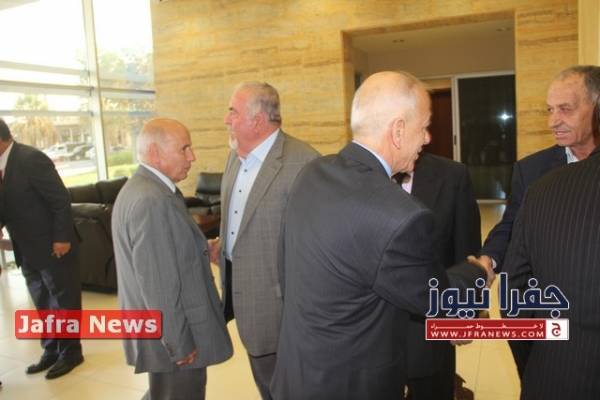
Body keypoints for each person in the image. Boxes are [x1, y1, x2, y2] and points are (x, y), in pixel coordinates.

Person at [270, 71, 492, 400]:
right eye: (424, 127)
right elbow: (435, 297)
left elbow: (285, 269)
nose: (427, 138)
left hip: (298, 375)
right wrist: (478, 272)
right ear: (398, 130)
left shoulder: (313, 173)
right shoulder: (400, 215)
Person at [478, 65, 600, 378]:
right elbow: (511, 225)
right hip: (548, 312)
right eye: (549, 110)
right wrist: (489, 259)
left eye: (565, 109)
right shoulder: (532, 170)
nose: (553, 121)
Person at [209, 82, 319, 400]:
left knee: (290, 388)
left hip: (281, 306)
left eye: (233, 112)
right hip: (241, 294)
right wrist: (225, 244)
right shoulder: (235, 157)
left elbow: (315, 245)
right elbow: (242, 218)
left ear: (257, 120)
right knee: (264, 381)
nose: (226, 120)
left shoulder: (304, 163)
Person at [112, 118, 233, 399]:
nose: (192, 157)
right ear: (155, 153)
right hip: (172, 337)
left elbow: (162, 254)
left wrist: (201, 248)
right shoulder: (152, 201)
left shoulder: (146, 188)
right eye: (184, 149)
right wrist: (178, 342)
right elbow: (158, 284)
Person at [502, 140, 600, 399]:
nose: (555, 122)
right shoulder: (532, 173)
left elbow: (514, 298)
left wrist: (538, 361)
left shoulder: (544, 189)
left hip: (556, 376)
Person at [0, 118, 83, 379]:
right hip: (25, 249)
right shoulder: (2, 165)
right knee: (43, 302)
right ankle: (51, 349)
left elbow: (60, 199)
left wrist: (62, 238)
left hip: (53, 246)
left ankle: (71, 352)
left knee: (64, 301)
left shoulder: (30, 158)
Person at [395, 150, 481, 400]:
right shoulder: (355, 177)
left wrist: (465, 313)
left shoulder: (452, 176)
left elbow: (466, 249)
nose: (426, 138)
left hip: (430, 334)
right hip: (370, 341)